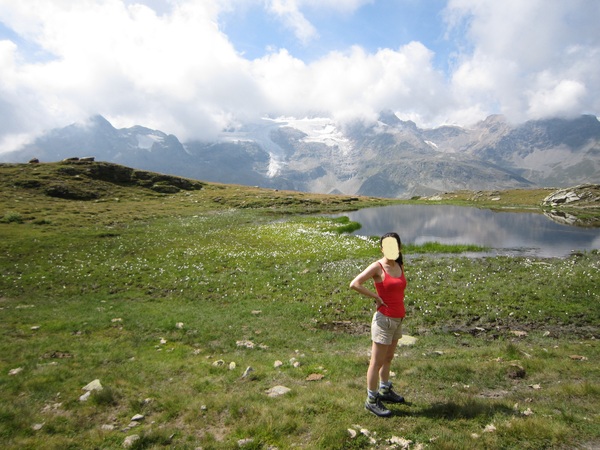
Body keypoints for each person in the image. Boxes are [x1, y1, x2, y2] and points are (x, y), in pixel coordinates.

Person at [349, 232, 407, 417]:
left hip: (397, 319)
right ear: (381, 248)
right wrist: (375, 297)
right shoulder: (377, 267)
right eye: (387, 246)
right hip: (384, 320)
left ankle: (384, 390)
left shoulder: (399, 264)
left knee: (388, 359)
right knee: (376, 362)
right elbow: (355, 284)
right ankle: (371, 400)